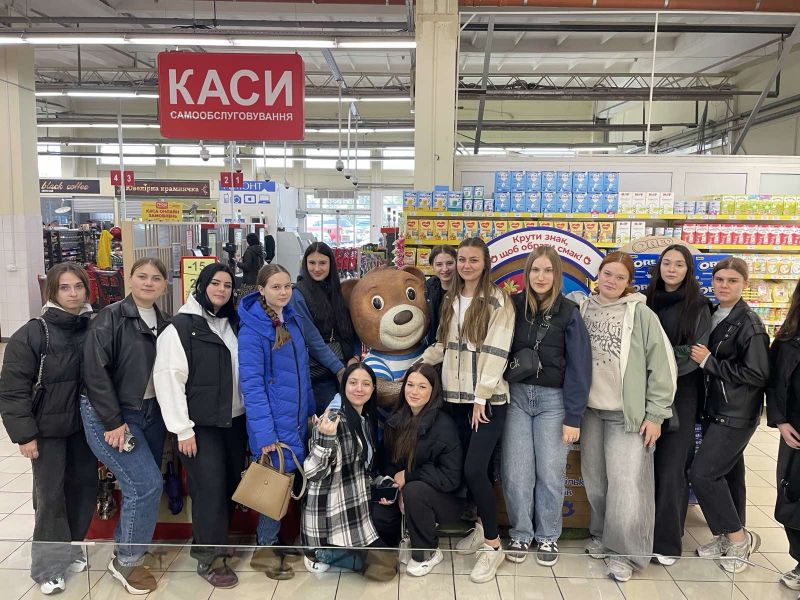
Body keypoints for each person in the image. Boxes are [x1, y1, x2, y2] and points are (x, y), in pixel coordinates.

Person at [420, 237, 515, 584]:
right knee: (474, 470)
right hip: (454, 400)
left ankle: (493, 545)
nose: (465, 266)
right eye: (462, 259)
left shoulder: (497, 300)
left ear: (485, 262)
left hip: (486, 403)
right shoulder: (451, 298)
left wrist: (481, 397)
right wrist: (416, 367)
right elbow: (442, 345)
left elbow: (496, 350)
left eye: (473, 260)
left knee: (475, 470)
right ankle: (480, 527)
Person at [578, 251, 677, 582]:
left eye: (620, 277)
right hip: (590, 412)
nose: (612, 281)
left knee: (626, 484)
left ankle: (625, 554)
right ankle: (602, 536)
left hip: (627, 415)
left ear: (629, 282)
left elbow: (662, 366)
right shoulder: (583, 308)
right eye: (607, 274)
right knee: (595, 480)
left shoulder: (642, 314)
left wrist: (656, 414)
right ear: (598, 275)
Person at [0, 264, 95, 595]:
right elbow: (13, 389)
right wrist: (24, 434)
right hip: (47, 430)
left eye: (78, 286)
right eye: (64, 287)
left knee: (83, 490)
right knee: (51, 497)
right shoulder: (33, 333)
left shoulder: (93, 327)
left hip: (84, 429)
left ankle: (70, 548)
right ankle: (48, 568)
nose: (73, 293)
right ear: (51, 292)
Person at [153, 263, 245, 589]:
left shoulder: (232, 323)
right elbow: (169, 378)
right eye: (215, 283)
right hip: (200, 425)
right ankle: (209, 558)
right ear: (202, 285)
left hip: (234, 421)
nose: (221, 290)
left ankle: (216, 543)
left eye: (227, 285)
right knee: (209, 491)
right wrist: (182, 428)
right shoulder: (181, 327)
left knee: (230, 484)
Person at [82, 257, 170, 595]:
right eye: (142, 276)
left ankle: (129, 546)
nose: (148, 283)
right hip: (113, 414)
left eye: (156, 278)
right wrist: (113, 421)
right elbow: (95, 373)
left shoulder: (166, 322)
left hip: (150, 412)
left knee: (144, 484)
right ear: (129, 279)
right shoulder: (110, 317)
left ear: (165, 284)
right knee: (145, 485)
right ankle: (127, 560)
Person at [502, 246, 592, 566]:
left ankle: (548, 536)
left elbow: (580, 366)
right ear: (527, 274)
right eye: (535, 270)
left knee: (551, 474)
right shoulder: (512, 307)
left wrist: (574, 416)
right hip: (516, 398)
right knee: (516, 473)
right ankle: (521, 533)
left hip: (554, 402)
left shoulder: (569, 312)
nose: (541, 277)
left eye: (548, 270)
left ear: (557, 275)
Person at [689, 257, 770, 573]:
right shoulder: (713, 313)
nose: (724, 285)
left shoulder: (749, 324)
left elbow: (758, 374)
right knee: (730, 475)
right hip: (716, 410)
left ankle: (739, 539)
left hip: (736, 413)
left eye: (732, 280)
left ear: (744, 284)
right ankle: (725, 536)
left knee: (703, 473)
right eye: (719, 279)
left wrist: (710, 362)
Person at [238, 264, 316, 581]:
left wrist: (310, 410)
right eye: (276, 287)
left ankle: (277, 543)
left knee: (287, 485)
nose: (283, 292)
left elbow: (302, 372)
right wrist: (265, 434)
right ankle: (264, 550)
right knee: (273, 488)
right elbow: (252, 386)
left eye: (287, 286)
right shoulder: (253, 330)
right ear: (261, 290)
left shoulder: (292, 320)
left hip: (296, 419)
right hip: (273, 426)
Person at [644, 244, 713, 565]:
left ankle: (667, 543)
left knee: (672, 469)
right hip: (643, 392)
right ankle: (641, 535)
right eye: (667, 263)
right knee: (643, 469)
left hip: (681, 395)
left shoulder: (698, 306)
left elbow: (694, 355)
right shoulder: (645, 300)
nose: (672, 269)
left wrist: (656, 363)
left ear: (688, 270)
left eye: (679, 264)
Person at [302, 362, 396, 581]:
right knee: (384, 570)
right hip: (331, 521)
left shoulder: (365, 419)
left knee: (389, 563)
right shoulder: (332, 419)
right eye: (353, 383)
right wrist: (325, 440)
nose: (359, 389)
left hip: (355, 513)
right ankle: (319, 554)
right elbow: (313, 473)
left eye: (366, 384)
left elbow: (362, 469)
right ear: (344, 386)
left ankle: (340, 555)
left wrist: (385, 483)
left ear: (373, 388)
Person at [371, 363, 463, 577]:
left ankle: (428, 552)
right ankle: (400, 541)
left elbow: (451, 477)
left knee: (415, 492)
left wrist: (409, 477)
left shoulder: (444, 425)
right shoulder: (397, 419)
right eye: (410, 385)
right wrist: (392, 486)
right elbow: (388, 463)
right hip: (406, 490)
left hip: (446, 498)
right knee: (381, 511)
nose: (414, 391)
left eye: (422, 387)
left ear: (433, 390)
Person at [292, 242, 360, 414]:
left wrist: (355, 355)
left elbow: (351, 327)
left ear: (331, 264)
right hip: (320, 374)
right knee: (333, 419)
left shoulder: (337, 290)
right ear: (305, 264)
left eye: (322, 263)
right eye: (312, 263)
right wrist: (339, 369)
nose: (317, 268)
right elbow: (312, 339)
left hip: (345, 367)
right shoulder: (298, 294)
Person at [767, 278, 800, 591]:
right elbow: (774, 380)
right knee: (791, 496)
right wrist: (780, 421)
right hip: (795, 432)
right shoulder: (788, 338)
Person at [425, 245, 457, 345]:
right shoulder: (427, 288)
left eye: (450, 263)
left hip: (455, 347)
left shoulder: (466, 289)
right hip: (432, 346)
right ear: (432, 267)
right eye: (439, 264)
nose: (445, 269)